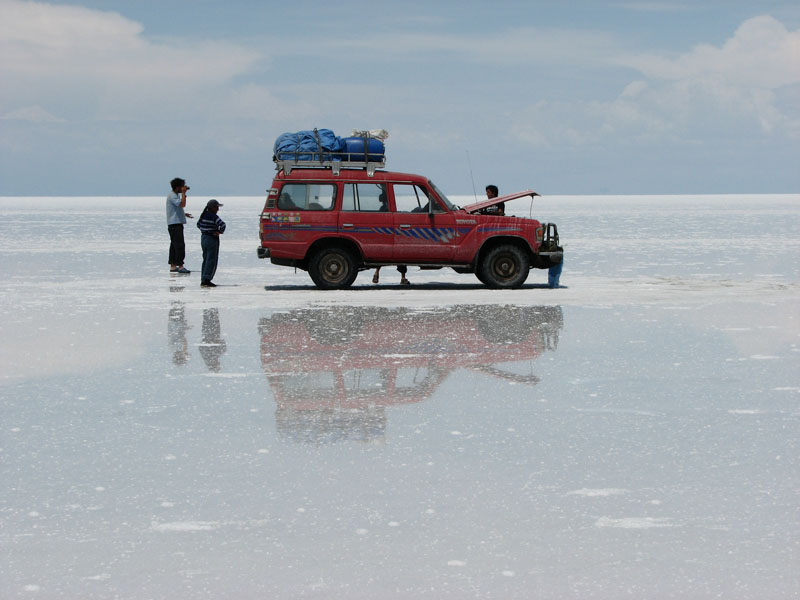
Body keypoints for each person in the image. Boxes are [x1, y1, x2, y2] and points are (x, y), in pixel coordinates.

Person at [197, 199, 226, 287]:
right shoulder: (214, 217)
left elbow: (198, 224)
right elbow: (223, 225)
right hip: (212, 239)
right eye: (216, 207)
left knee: (205, 259)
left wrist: (204, 230)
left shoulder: (203, 215)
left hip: (204, 238)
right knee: (211, 260)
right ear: (212, 208)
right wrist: (219, 232)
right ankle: (207, 279)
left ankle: (203, 278)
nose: (218, 209)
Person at [167, 177, 193, 273]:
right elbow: (182, 205)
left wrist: (184, 214)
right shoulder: (173, 196)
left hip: (174, 223)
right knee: (179, 245)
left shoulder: (173, 195)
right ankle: (181, 266)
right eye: (182, 186)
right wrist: (183, 193)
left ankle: (173, 265)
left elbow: (177, 208)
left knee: (174, 245)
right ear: (178, 187)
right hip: (175, 224)